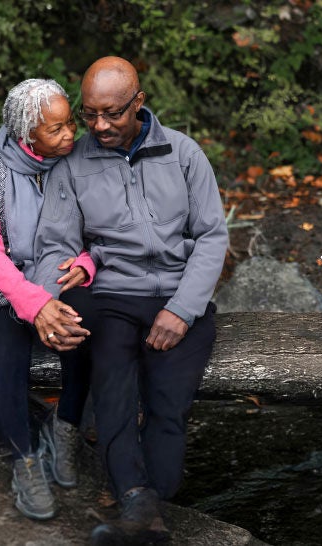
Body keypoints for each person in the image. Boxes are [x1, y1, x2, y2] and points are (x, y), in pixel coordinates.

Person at [31, 57, 228, 544]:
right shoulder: (72, 164)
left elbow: (211, 236)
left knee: (167, 403)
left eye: (113, 113)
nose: (99, 126)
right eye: (90, 113)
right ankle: (138, 500)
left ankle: (146, 509)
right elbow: (53, 245)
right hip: (112, 295)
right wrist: (51, 298)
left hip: (180, 296)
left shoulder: (183, 154)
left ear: (138, 103)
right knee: (114, 387)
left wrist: (182, 310)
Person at [0, 78, 95, 520]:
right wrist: (33, 304)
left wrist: (87, 261)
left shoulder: (77, 161)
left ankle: (64, 427)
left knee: (82, 329)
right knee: (10, 357)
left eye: (70, 123)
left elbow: (102, 226)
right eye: (56, 129)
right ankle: (24, 461)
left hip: (54, 280)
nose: (70, 134)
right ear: (27, 135)